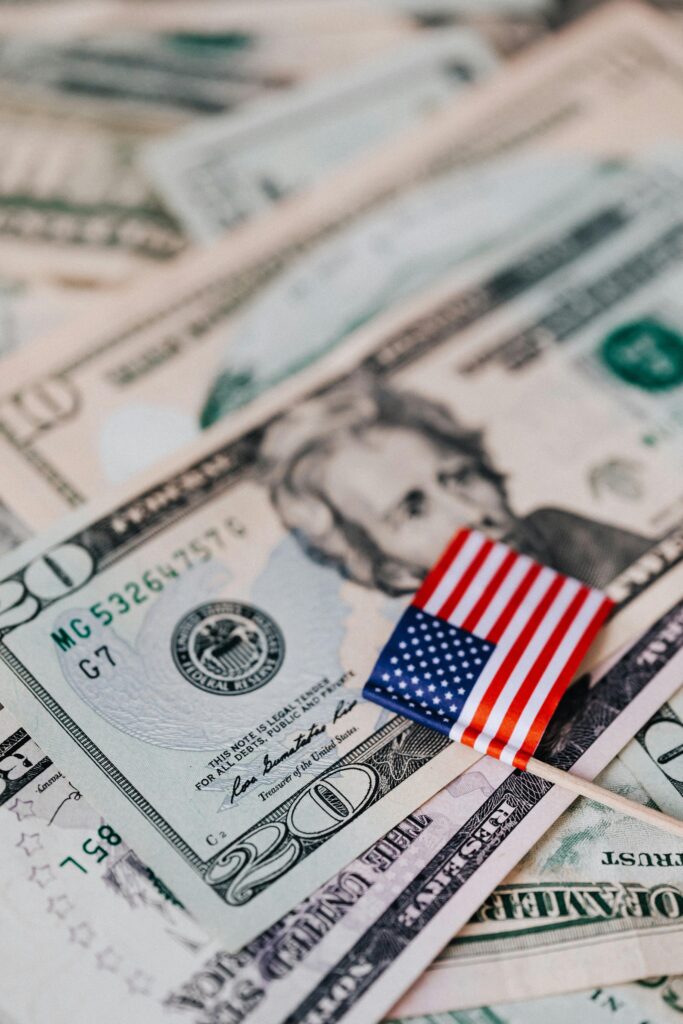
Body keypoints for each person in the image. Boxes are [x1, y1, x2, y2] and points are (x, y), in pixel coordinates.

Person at [262, 371, 651, 595]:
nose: (472, 513)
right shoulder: (442, 666)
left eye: (461, 476)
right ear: (392, 569)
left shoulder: (563, 534)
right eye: (412, 511)